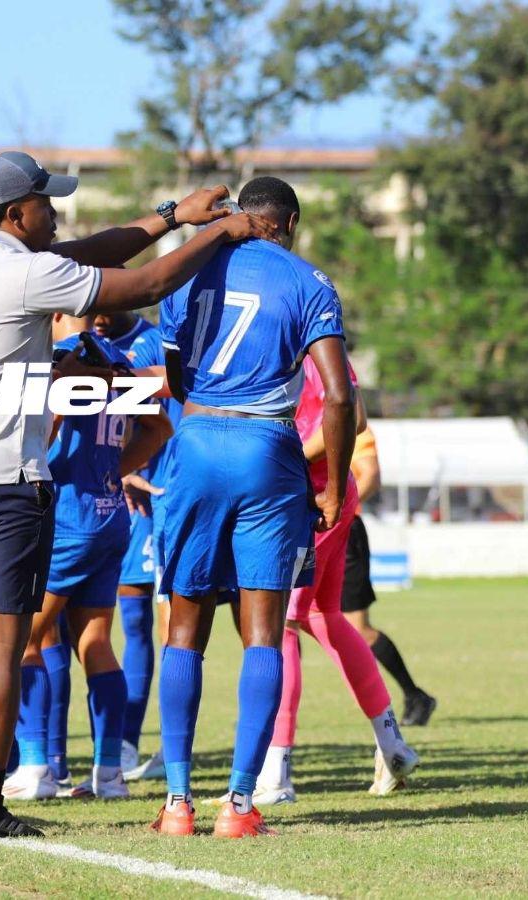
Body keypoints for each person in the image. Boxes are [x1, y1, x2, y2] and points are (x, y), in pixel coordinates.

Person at [0, 149, 271, 840]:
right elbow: (143, 285)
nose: (55, 214)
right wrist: (218, 233)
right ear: (18, 213)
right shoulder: (28, 272)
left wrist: (173, 216)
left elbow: (90, 251)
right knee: (2, 642)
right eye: (46, 204)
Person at [150, 175, 357, 839]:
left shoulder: (191, 269)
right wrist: (330, 486)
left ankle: (177, 804)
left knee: (183, 627)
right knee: (263, 630)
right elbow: (339, 397)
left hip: (200, 437)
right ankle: (238, 806)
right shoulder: (308, 282)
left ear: (241, 215)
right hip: (268, 449)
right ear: (289, 222)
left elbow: (174, 374)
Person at [5, 313, 172, 802]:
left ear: (54, 313)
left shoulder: (64, 362)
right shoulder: (117, 362)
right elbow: (158, 428)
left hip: (69, 518)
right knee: (95, 641)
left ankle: (35, 765)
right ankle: (108, 773)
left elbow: (45, 430)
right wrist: (112, 471)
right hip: (108, 515)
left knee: (23, 637)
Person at [254, 358, 419, 804]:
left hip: (305, 500)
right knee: (322, 615)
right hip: (336, 495)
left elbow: (344, 419)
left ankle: (276, 773)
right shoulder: (328, 349)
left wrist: (285, 455)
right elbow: (357, 416)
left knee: (282, 625)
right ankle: (391, 743)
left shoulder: (293, 347)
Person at [95, 311, 172, 777]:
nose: (99, 317)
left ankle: (138, 745)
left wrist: (132, 470)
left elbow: (164, 415)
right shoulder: (87, 342)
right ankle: (114, 747)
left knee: (148, 620)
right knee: (120, 622)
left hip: (156, 495)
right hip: (111, 496)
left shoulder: (153, 343)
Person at [342, 427, 436, 725]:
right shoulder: (293, 411)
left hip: (342, 531)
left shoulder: (352, 424)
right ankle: (277, 712)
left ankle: (414, 695)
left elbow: (370, 475)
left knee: (356, 628)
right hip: (302, 529)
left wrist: (337, 507)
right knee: (289, 623)